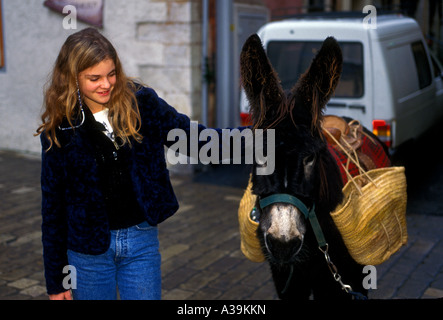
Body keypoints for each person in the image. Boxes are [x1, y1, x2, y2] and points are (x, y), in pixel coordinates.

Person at [36, 27, 243, 300]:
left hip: (140, 240)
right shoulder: (59, 131)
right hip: (87, 253)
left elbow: (196, 140)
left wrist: (261, 141)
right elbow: (53, 208)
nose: (106, 84)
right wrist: (57, 279)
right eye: (94, 78)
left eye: (111, 74)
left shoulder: (142, 103)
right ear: (72, 78)